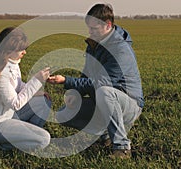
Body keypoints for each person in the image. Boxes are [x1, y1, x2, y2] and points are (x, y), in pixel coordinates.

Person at [47, 3, 144, 159]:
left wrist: (66, 81)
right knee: (64, 114)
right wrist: (75, 93)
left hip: (129, 104)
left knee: (104, 91)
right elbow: (87, 75)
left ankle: (122, 148)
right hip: (103, 99)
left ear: (108, 25)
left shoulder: (120, 50)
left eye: (94, 29)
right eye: (89, 28)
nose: (90, 32)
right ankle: (105, 136)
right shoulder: (93, 45)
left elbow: (103, 83)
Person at [0, 27, 51, 155]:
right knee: (43, 139)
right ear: (8, 50)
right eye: (21, 49)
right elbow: (15, 104)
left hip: (6, 115)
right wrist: (36, 81)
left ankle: (22, 136)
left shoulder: (10, 61)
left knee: (43, 101)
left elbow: (18, 85)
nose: (25, 52)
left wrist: (37, 92)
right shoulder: (0, 72)